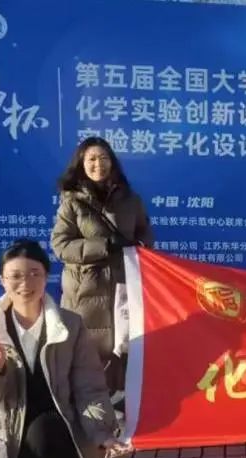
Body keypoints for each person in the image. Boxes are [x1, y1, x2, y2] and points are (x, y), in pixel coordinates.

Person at [0, 240, 129, 458]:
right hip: (10, 428)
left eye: (34, 273)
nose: (25, 283)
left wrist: (101, 431)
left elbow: (89, 386)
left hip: (61, 423)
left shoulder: (70, 325)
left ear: (46, 276)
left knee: (44, 432)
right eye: (15, 276)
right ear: (2, 280)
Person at [51, 137, 153, 401]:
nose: (99, 164)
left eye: (104, 158)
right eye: (92, 159)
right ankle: (89, 410)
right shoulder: (71, 203)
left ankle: (122, 408)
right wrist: (103, 246)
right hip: (85, 294)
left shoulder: (131, 200)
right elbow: (61, 246)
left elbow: (145, 234)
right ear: (81, 164)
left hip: (123, 288)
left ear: (113, 162)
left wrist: (140, 246)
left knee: (125, 349)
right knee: (87, 355)